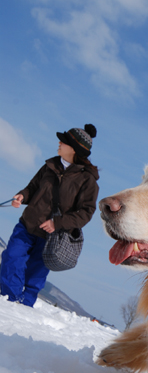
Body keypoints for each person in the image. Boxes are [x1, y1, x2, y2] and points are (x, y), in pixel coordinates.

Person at [0, 124, 99, 307]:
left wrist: (58, 223)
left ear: (74, 149)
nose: (59, 143)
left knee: (36, 274)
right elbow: (32, 187)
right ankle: (8, 301)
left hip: (52, 236)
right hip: (28, 224)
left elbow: (86, 213)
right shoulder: (49, 166)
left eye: (64, 141)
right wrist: (22, 196)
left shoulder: (88, 181)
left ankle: (23, 306)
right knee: (12, 257)